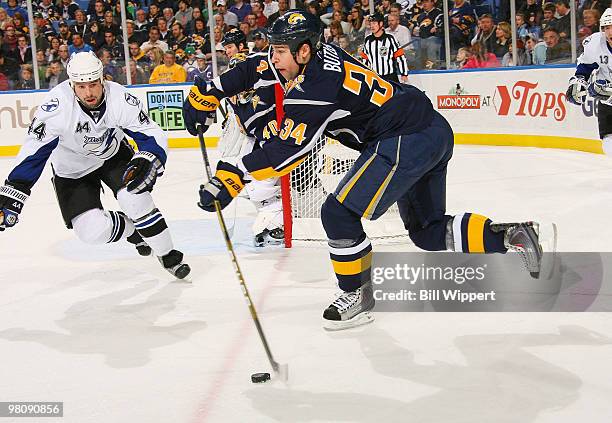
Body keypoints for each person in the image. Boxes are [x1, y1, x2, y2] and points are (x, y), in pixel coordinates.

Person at [182, 10, 546, 329]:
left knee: (337, 213)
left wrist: (234, 174)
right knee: (427, 232)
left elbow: (288, 152)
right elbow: (255, 67)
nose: (272, 58)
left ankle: (355, 294)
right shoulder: (316, 55)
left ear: (303, 50)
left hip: (402, 138)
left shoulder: (314, 86)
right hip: (430, 129)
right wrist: (211, 91)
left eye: (279, 50)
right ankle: (512, 236)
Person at [0, 52, 190, 279]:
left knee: (136, 200)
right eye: (81, 86)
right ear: (72, 84)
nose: (88, 93)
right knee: (91, 232)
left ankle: (168, 254)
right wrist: (12, 194)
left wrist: (149, 158)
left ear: (102, 79)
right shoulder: (55, 108)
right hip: (72, 170)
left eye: (93, 84)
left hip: (113, 156)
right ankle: (133, 232)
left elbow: (149, 132)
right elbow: (34, 153)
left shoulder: (119, 97)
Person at [219, 29, 285, 246]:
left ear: (240, 46)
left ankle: (278, 221)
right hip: (256, 133)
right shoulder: (247, 65)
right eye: (226, 48)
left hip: (267, 131)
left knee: (256, 179)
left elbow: (251, 96)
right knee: (248, 178)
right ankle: (274, 219)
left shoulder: (249, 65)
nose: (227, 52)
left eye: (230, 47)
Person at [567, 8, 612, 154]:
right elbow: (585, 66)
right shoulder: (595, 43)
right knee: (608, 143)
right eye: (607, 28)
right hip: (607, 101)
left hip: (607, 94)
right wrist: (578, 81)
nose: (610, 32)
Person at [361, 12, 409, 83]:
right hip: (375, 79)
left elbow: (400, 56)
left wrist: (404, 74)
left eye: (374, 23)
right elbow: (365, 60)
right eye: (370, 24)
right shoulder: (368, 40)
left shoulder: (390, 38)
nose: (372, 26)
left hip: (390, 78)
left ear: (381, 24)